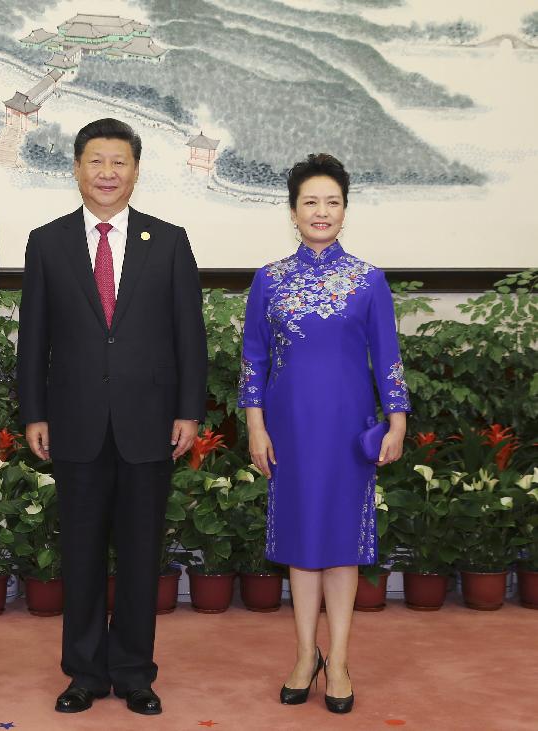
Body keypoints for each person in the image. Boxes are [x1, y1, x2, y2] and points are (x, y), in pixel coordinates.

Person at [17, 118, 207, 717]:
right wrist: (34, 413)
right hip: (73, 422)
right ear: (76, 169)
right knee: (80, 552)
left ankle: (134, 673)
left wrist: (188, 411)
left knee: (140, 551)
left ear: (135, 170)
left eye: (118, 162)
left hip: (149, 422)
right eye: (95, 161)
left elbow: (189, 338)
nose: (106, 173)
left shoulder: (169, 241)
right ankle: (84, 673)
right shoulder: (47, 242)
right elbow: (33, 339)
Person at [238, 153, 410, 714]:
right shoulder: (269, 280)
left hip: (347, 430)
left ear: (344, 210)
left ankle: (337, 660)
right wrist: (255, 427)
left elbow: (388, 357)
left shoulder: (368, 279)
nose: (321, 211)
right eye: (310, 201)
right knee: (300, 545)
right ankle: (302, 656)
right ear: (292, 211)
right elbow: (253, 362)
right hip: (288, 431)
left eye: (331, 202)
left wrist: (398, 420)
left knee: (341, 548)